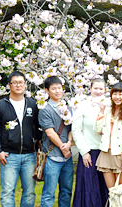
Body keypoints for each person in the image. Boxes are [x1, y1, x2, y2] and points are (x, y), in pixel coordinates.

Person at [0, 71, 41, 207]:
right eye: (15, 82)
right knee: (7, 192)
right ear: (9, 85)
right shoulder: (1, 105)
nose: (18, 85)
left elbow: (39, 127)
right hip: (8, 156)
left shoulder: (33, 104)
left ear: (25, 85)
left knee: (29, 192)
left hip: (30, 155)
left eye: (21, 82)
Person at [94, 82, 122, 197]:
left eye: (120, 94)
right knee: (113, 194)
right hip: (106, 153)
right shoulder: (107, 111)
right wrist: (101, 112)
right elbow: (98, 130)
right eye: (115, 94)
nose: (117, 97)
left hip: (121, 154)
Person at [72, 78, 108, 207]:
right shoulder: (82, 105)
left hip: (106, 151)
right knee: (89, 186)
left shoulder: (110, 105)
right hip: (89, 152)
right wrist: (84, 152)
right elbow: (76, 130)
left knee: (105, 186)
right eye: (95, 88)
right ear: (90, 89)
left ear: (105, 90)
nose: (98, 91)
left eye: (101, 89)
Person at [39, 76, 74, 207]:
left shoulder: (68, 107)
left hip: (67, 158)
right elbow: (50, 132)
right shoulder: (45, 109)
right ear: (47, 90)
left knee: (66, 191)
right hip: (52, 156)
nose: (57, 91)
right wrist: (63, 148)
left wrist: (69, 142)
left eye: (59, 88)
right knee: (49, 193)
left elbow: (72, 128)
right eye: (54, 88)